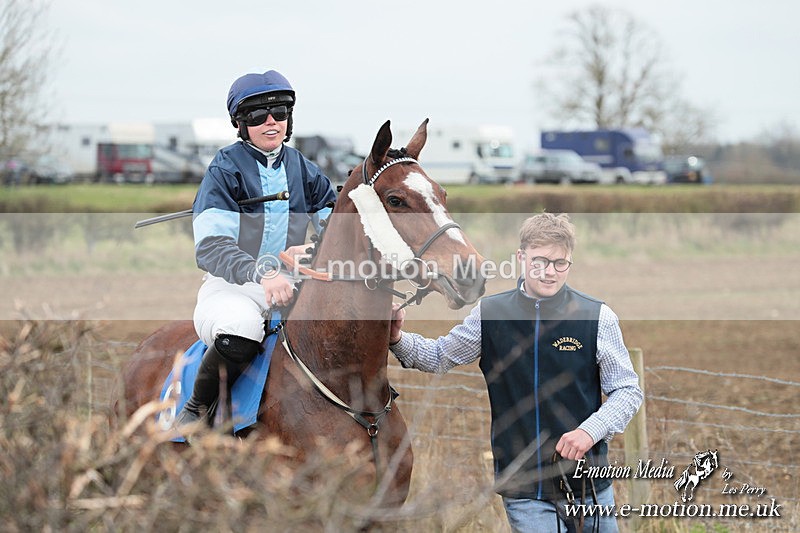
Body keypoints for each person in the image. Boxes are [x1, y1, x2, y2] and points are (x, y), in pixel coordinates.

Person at [389, 212, 643, 532]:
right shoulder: (491, 314)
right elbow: (439, 356)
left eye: (560, 263)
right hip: (524, 490)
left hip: (588, 487)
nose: (550, 272)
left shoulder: (597, 317)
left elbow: (627, 390)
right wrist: (396, 338)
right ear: (521, 258)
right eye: (540, 261)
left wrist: (590, 431)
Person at [175, 70, 337, 428]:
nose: (270, 122)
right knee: (243, 328)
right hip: (234, 288)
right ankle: (196, 412)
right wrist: (263, 272)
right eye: (257, 116)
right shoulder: (225, 168)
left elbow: (338, 231)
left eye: (279, 113)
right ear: (240, 122)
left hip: (296, 286)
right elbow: (211, 248)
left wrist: (310, 250)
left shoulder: (305, 170)